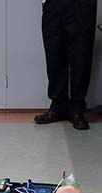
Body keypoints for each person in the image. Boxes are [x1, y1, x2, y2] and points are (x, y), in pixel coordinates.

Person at [34, 0, 97, 130]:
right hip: (53, 4)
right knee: (54, 55)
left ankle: (77, 109)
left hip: (82, 5)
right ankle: (58, 106)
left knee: (81, 56)